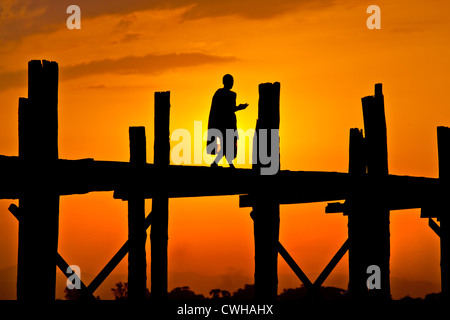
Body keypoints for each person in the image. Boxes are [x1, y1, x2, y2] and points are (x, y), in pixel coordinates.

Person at [206, 74, 248, 168]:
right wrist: (240, 107)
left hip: (221, 122)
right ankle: (222, 163)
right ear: (225, 82)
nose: (232, 83)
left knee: (226, 144)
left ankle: (219, 163)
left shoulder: (219, 93)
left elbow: (221, 109)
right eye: (231, 81)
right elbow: (230, 109)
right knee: (226, 144)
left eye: (232, 81)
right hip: (227, 123)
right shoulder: (231, 95)